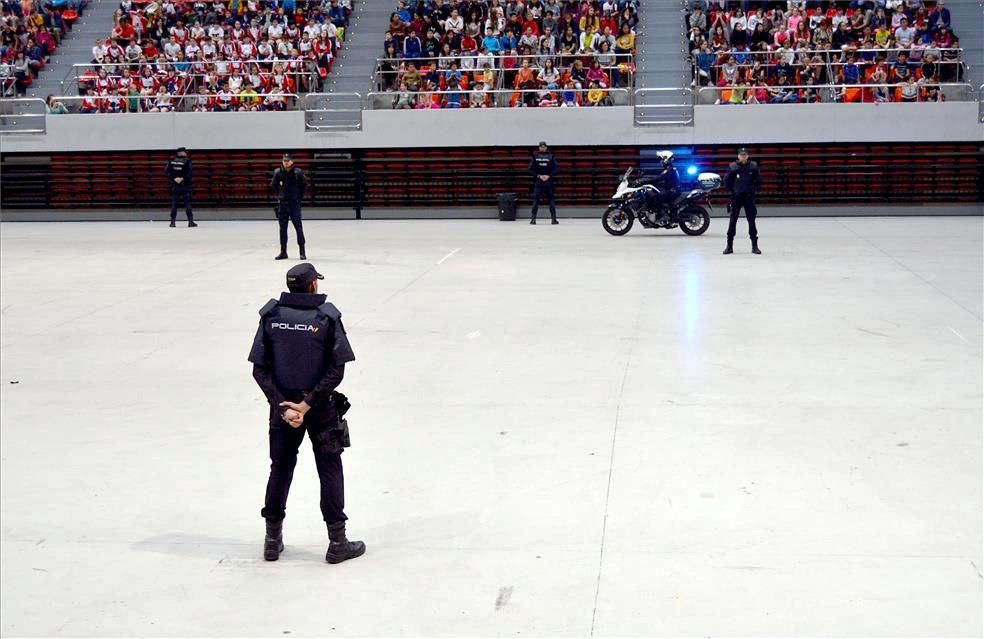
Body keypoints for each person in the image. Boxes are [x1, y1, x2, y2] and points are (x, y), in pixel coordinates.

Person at [248, 262, 365, 564]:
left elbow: (259, 369)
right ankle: (337, 541)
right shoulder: (326, 317)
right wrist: (308, 403)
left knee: (280, 470)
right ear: (313, 286)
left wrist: (284, 406)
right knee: (329, 469)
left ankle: (272, 540)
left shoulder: (271, 317)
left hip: (283, 411)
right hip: (321, 409)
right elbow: (336, 369)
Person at [723, 147, 762, 255]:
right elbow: (726, 182)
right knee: (732, 222)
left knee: (752, 221)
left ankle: (755, 246)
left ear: (747, 156)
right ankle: (729, 246)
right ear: (738, 156)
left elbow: (759, 180)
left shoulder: (753, 167)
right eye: (741, 155)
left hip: (749, 197)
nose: (743, 156)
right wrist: (733, 191)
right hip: (736, 197)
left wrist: (753, 189)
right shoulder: (733, 167)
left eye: (745, 155)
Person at [270, 154, 307, 260]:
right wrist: (279, 195)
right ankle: (283, 251)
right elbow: (273, 185)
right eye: (284, 160)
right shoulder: (278, 173)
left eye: (288, 160)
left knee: (298, 227)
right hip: (283, 204)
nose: (286, 162)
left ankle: (302, 251)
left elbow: (304, 185)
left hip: (294, 204)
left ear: (292, 162)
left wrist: (299, 197)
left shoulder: (297, 172)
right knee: (282, 229)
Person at [641, 150, 679, 224]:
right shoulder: (670, 169)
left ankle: (663, 215)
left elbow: (659, 178)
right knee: (655, 194)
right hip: (673, 191)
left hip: (672, 192)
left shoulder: (669, 169)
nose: (660, 161)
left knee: (654, 197)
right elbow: (660, 179)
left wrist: (645, 181)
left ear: (666, 159)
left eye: (661, 159)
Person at [165, 147, 196, 228]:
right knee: (187, 204)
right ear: (180, 153)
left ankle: (172, 222)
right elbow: (190, 173)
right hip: (185, 185)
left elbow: (167, 172)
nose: (186, 153)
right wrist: (183, 178)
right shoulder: (187, 161)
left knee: (174, 204)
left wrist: (174, 178)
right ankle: (190, 221)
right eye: (184, 152)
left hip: (175, 185)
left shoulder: (171, 160)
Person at [528, 141, 558, 224]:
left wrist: (539, 176)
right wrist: (548, 176)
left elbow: (531, 169)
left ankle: (534, 219)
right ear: (540, 147)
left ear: (545, 147)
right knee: (550, 200)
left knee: (537, 200)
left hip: (541, 180)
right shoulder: (551, 156)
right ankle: (553, 219)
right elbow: (555, 169)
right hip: (546, 180)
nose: (542, 148)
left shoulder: (535, 156)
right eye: (542, 147)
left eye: (543, 147)